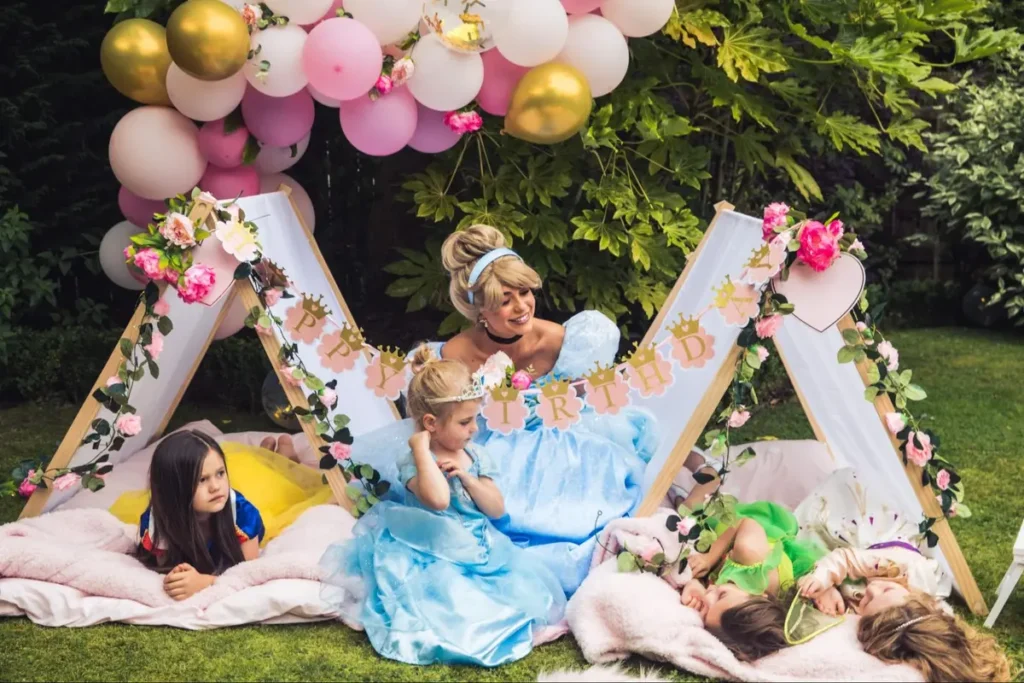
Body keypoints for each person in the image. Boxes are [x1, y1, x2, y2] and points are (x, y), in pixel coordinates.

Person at [320, 346, 566, 667]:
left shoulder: (476, 456)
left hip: (478, 547)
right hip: (430, 550)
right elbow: (438, 500)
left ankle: (508, 621)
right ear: (431, 423)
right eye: (465, 422)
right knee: (450, 600)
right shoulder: (414, 461)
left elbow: (496, 509)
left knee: (509, 593)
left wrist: (469, 479)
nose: (475, 428)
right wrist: (421, 450)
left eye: (474, 418)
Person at [679, 501, 825, 661]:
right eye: (721, 595)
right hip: (758, 527)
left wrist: (695, 584)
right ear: (760, 595)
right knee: (699, 512)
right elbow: (742, 522)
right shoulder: (748, 552)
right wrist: (708, 558)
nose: (708, 595)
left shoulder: (735, 606)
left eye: (707, 611)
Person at [136, 430, 264, 601]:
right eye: (202, 480)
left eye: (220, 473)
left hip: (233, 534)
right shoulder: (158, 521)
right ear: (174, 488)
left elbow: (249, 575)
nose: (215, 487)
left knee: (269, 473)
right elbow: (170, 573)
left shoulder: (242, 514)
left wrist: (206, 582)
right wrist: (180, 578)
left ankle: (278, 453)